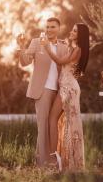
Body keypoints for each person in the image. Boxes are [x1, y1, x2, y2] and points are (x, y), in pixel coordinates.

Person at [17, 17, 68, 167]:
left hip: (58, 91)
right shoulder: (36, 42)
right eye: (47, 27)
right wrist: (21, 46)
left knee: (55, 124)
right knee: (43, 124)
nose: (49, 29)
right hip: (43, 89)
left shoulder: (64, 46)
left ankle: (54, 159)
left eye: (53, 27)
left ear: (59, 28)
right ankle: (44, 162)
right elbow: (25, 62)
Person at [42, 23, 89, 171]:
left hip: (68, 89)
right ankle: (63, 160)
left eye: (75, 31)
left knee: (53, 119)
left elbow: (60, 61)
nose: (71, 31)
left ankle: (54, 160)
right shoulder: (74, 49)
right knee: (66, 123)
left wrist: (47, 48)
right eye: (72, 29)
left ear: (80, 35)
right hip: (67, 87)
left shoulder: (78, 50)